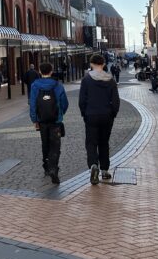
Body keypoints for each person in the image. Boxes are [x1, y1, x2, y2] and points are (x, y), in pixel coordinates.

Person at [79, 53, 120, 185]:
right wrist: (113, 113)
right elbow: (116, 101)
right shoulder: (111, 80)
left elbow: (81, 100)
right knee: (104, 142)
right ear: (103, 64)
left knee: (91, 142)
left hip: (91, 115)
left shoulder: (86, 80)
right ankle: (105, 170)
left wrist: (84, 113)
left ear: (91, 64)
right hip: (106, 116)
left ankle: (93, 165)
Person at [29, 62, 69, 184]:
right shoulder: (57, 85)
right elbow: (64, 103)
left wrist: (34, 119)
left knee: (45, 143)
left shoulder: (35, 85)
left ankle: (46, 166)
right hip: (55, 121)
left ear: (40, 72)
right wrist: (60, 114)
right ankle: (53, 168)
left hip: (42, 121)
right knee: (55, 146)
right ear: (51, 71)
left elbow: (33, 104)